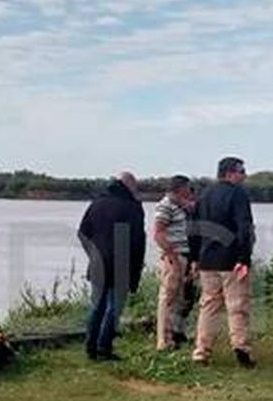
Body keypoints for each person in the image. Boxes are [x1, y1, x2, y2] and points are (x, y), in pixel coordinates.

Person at [187, 156, 255, 368]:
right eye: (241, 171)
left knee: (208, 306)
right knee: (237, 306)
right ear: (229, 173)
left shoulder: (204, 195)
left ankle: (201, 351)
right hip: (231, 260)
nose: (244, 176)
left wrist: (194, 258)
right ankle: (241, 347)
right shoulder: (238, 194)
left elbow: (193, 229)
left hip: (207, 260)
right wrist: (244, 258)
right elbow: (245, 228)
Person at [77, 171, 147, 361]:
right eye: (135, 186)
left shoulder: (97, 203)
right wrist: (136, 270)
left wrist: (93, 254)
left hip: (98, 263)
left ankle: (90, 347)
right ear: (128, 185)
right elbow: (138, 241)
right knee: (114, 308)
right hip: (122, 264)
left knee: (96, 306)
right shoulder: (132, 207)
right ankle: (104, 347)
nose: (136, 189)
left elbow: (82, 233)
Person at [153, 175, 198, 350]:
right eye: (187, 187)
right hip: (174, 256)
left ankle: (173, 335)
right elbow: (158, 232)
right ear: (180, 188)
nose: (189, 190)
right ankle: (163, 340)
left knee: (179, 297)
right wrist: (170, 255)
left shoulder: (179, 205)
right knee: (168, 297)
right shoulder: (165, 205)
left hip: (183, 255)